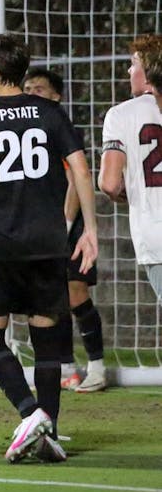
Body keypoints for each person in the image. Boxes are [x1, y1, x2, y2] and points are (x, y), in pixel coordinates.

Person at [0, 34, 98, 464]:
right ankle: (48, 429)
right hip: (49, 242)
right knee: (48, 343)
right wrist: (89, 229)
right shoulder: (51, 113)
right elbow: (82, 171)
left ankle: (29, 413)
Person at [21, 68, 106, 392]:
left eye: (39, 88)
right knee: (51, 295)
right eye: (27, 87)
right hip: (41, 224)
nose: (32, 92)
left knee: (75, 290)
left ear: (56, 96)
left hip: (69, 224)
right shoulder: (24, 129)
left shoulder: (60, 126)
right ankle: (67, 367)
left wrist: (67, 224)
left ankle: (97, 366)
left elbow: (75, 180)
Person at [98, 35, 162, 302]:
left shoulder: (121, 114)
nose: (128, 70)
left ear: (148, 72)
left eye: (133, 63)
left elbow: (109, 183)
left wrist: (126, 192)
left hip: (156, 232)